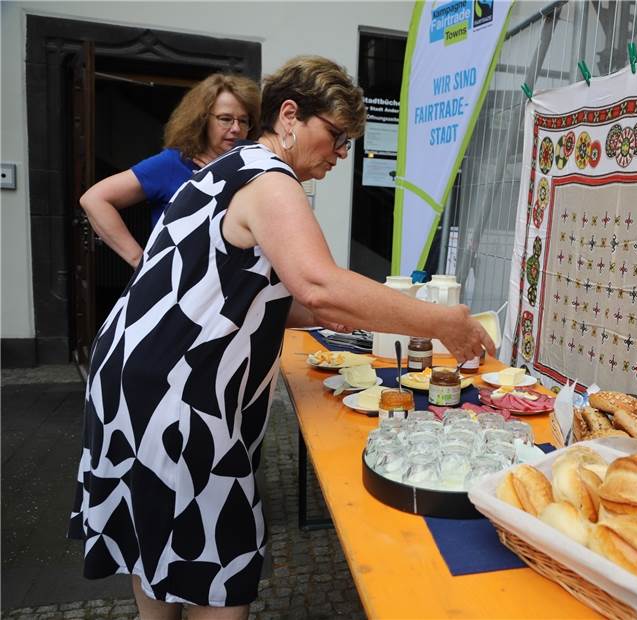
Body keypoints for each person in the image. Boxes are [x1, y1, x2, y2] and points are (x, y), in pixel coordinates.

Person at [68, 56, 495, 619]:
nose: (339, 156)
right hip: (179, 395)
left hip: (136, 377)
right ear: (290, 115)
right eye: (336, 137)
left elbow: (234, 289)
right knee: (213, 561)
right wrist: (441, 321)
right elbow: (318, 283)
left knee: (155, 544)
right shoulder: (269, 177)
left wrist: (333, 315)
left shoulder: (230, 167)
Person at [79, 73, 261, 268]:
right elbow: (94, 199)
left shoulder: (249, 167)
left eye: (243, 121)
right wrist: (140, 261)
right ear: (202, 120)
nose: (236, 128)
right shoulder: (174, 163)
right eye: (225, 119)